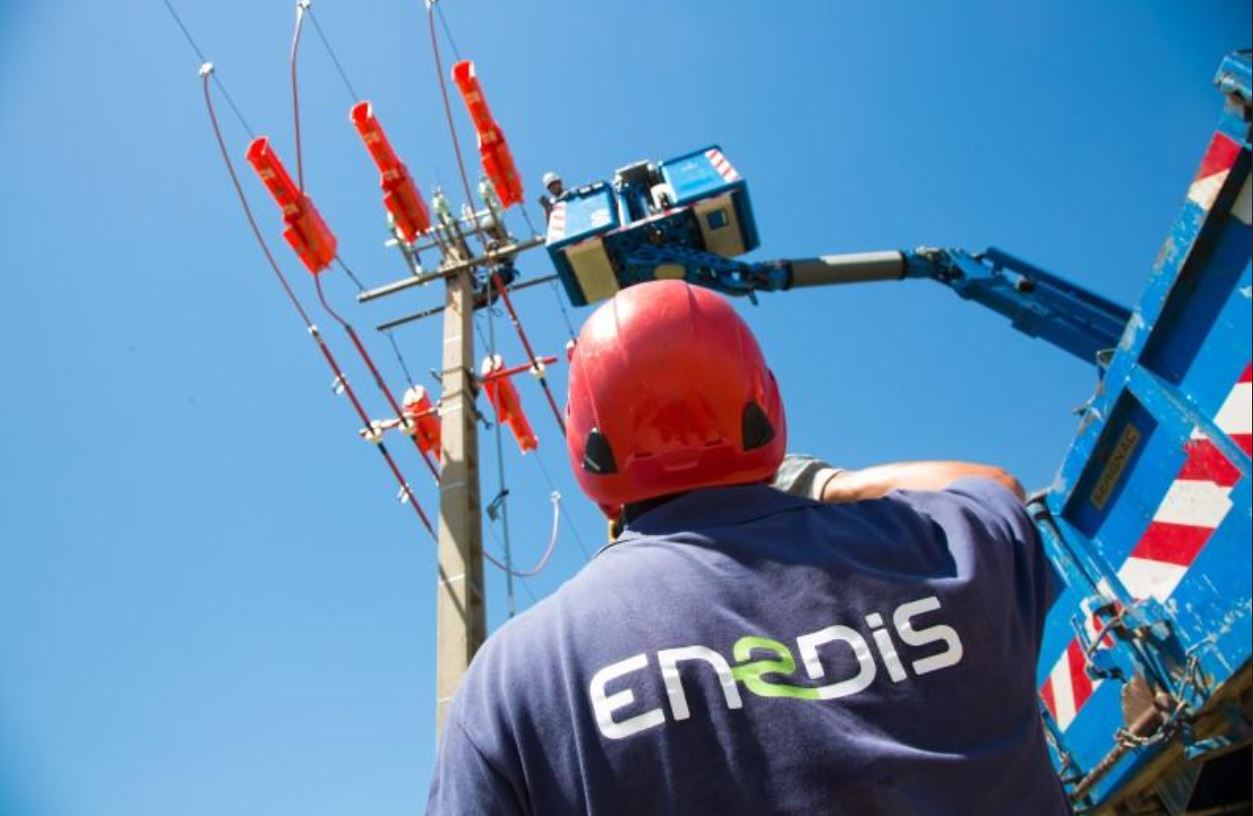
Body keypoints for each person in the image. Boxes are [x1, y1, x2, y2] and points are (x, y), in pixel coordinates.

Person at [426, 280, 1069, 815]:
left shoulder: (517, 679)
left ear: (589, 447)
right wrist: (825, 483)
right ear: (763, 406)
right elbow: (996, 489)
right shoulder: (939, 544)